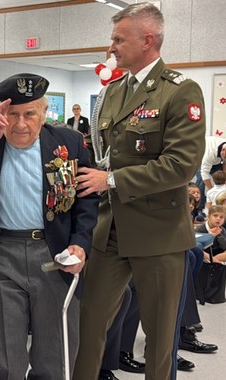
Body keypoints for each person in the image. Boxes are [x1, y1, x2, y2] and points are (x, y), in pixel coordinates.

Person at [0, 73, 99, 380]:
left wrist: (80, 242)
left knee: (54, 357)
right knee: (6, 361)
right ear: (1, 113)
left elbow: (87, 199)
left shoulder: (68, 142)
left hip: (53, 254)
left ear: (44, 112)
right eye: (13, 114)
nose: (21, 124)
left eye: (29, 114)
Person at [74, 3, 206, 379]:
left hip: (159, 233)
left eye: (118, 39)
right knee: (89, 326)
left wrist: (111, 180)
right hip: (111, 230)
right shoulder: (114, 92)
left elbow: (181, 165)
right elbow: (109, 157)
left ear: (147, 40)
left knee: (160, 339)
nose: (111, 47)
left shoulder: (180, 92)